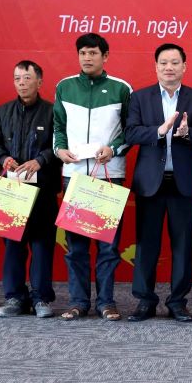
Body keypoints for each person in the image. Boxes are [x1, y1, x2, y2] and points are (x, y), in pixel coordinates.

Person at [125, 43, 192, 323]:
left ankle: (178, 302)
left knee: (183, 245)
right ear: (156, 66)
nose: (169, 67)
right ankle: (145, 301)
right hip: (151, 182)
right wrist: (159, 131)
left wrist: (189, 133)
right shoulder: (140, 97)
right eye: (163, 62)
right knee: (147, 244)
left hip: (182, 183)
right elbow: (131, 132)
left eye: (175, 62)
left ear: (184, 66)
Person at [54, 33, 132, 321]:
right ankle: (78, 302)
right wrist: (59, 149)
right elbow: (58, 126)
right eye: (82, 53)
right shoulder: (64, 87)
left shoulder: (121, 89)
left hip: (109, 176)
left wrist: (113, 149)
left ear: (105, 56)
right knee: (75, 247)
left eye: (93, 53)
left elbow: (130, 131)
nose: (87, 58)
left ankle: (106, 303)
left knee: (108, 245)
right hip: (74, 176)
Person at [0, 60, 62, 318]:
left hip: (42, 190)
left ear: (39, 82)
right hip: (11, 189)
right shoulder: (2, 112)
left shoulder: (53, 112)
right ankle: (15, 297)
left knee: (42, 245)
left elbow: (59, 144)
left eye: (27, 78)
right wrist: (2, 158)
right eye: (17, 78)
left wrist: (40, 160)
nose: (22, 83)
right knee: (13, 246)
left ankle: (41, 298)